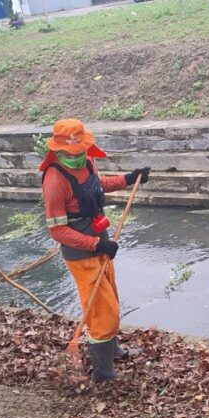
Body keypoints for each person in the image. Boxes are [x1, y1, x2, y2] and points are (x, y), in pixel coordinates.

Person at [40, 118, 150, 382]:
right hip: (82, 254)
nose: (77, 157)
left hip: (100, 242)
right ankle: (103, 372)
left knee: (110, 296)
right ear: (58, 150)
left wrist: (128, 178)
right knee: (102, 310)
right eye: (71, 153)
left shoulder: (87, 161)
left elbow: (97, 185)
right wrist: (95, 244)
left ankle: (111, 349)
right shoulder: (55, 180)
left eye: (81, 151)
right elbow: (57, 231)